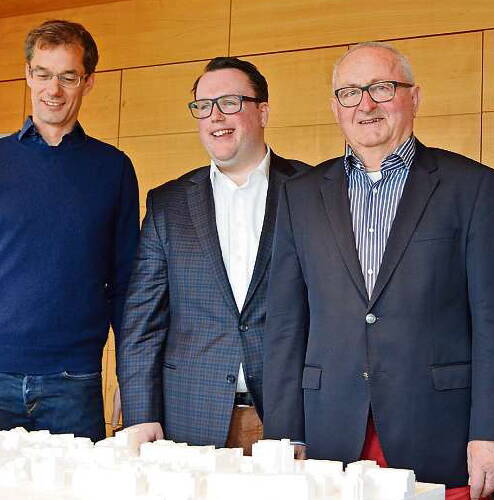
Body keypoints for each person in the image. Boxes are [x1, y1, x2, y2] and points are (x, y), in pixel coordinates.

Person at [261, 42, 494, 500]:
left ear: (414, 97)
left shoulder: (472, 186)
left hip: (439, 429)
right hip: (329, 433)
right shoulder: (299, 194)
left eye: (381, 88)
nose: (365, 105)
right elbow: (285, 323)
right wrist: (285, 436)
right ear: (335, 108)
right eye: (350, 93)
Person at [117, 57, 309, 454]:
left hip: (290, 415)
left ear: (263, 111)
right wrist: (140, 413)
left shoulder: (312, 189)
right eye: (203, 106)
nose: (215, 116)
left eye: (229, 102)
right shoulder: (168, 203)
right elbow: (142, 321)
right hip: (189, 415)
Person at [0, 20, 139, 442]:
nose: (53, 89)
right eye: (42, 74)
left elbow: (126, 284)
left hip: (73, 382)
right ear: (27, 74)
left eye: (68, 77)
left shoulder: (113, 168)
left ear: (88, 81)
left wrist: (132, 380)